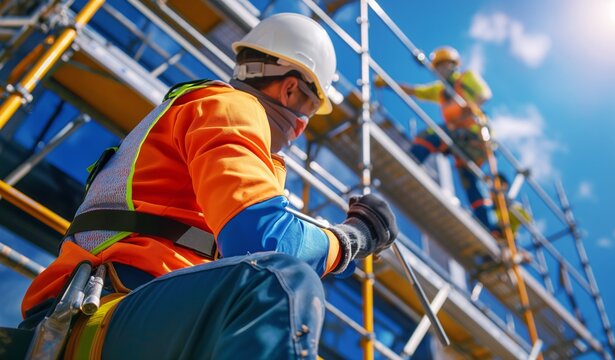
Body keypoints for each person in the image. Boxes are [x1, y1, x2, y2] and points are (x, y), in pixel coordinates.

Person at [19, 13, 398, 360]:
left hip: (120, 314)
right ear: (290, 91)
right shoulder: (233, 107)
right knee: (277, 284)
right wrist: (350, 240)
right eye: (310, 110)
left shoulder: (200, 114)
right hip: (111, 310)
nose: (302, 126)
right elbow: (264, 239)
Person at [374, 46, 494, 231]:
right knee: (470, 182)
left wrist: (470, 107)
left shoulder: (466, 78)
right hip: (458, 141)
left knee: (432, 134)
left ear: (453, 65)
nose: (440, 70)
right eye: (437, 67)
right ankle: (489, 227)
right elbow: (415, 91)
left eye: (443, 65)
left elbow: (484, 94)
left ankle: (411, 161)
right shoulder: (440, 90)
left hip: (473, 135)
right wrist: (388, 84)